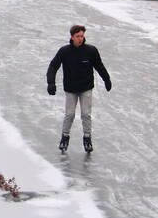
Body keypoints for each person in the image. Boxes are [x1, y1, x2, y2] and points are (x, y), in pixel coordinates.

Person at [46, 25, 112, 153]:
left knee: (86, 115)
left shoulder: (91, 51)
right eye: (78, 36)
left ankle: (87, 139)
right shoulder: (64, 51)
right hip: (70, 88)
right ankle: (65, 138)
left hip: (86, 87)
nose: (80, 39)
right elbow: (53, 66)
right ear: (72, 37)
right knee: (69, 115)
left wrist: (107, 79)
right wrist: (50, 82)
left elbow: (99, 66)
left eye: (82, 36)